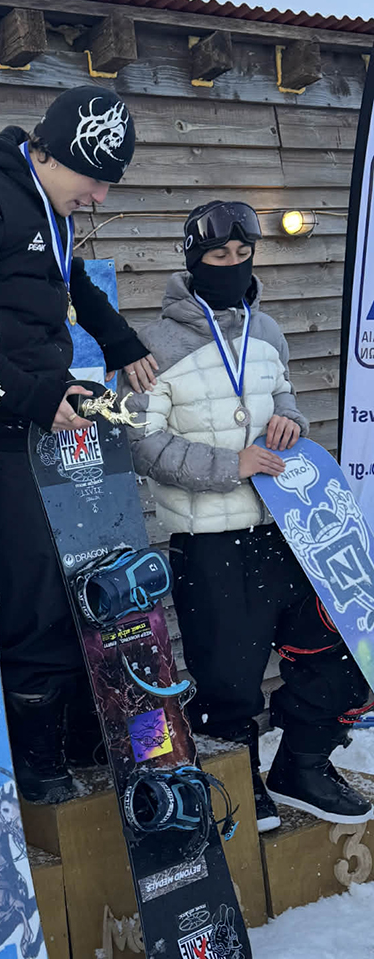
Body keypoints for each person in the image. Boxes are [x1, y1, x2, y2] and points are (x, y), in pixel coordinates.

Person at [0, 85, 157, 803]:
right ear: (50, 153)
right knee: (35, 596)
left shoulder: (49, 205)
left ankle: (92, 732)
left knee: (89, 581)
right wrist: (32, 397)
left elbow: (67, 278)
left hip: (49, 425)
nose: (100, 198)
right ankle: (34, 761)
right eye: (94, 180)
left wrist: (118, 339)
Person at [124, 200, 372, 831]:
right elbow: (141, 443)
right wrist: (230, 465)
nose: (233, 265)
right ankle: (240, 783)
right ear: (193, 260)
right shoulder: (154, 344)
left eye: (243, 254)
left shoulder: (268, 332)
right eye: (218, 255)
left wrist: (291, 421)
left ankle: (303, 764)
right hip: (211, 541)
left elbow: (284, 399)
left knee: (340, 651)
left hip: (288, 529)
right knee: (229, 681)